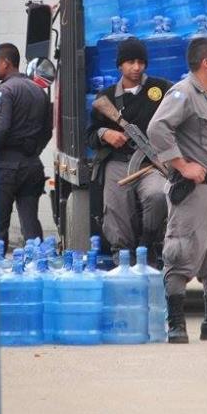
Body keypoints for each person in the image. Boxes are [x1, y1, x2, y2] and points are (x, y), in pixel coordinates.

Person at [147, 37, 207, 343]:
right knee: (181, 251)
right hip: (194, 190)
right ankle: (176, 323)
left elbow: (205, 139)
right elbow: (157, 128)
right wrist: (182, 164)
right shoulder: (184, 92)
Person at [86, 38, 172, 264]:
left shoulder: (161, 88)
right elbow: (91, 135)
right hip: (118, 161)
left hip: (153, 164)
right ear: (119, 66)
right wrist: (106, 133)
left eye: (141, 62)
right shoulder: (105, 97)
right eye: (130, 62)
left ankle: (148, 242)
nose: (136, 67)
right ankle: (121, 255)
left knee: (157, 195)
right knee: (116, 206)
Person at [0, 43, 53, 254]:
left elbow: (0, 129)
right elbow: (47, 131)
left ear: (6, 63)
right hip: (32, 165)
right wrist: (33, 152)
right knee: (30, 223)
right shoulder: (39, 91)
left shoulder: (6, 90)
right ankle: (38, 267)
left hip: (6, 167)